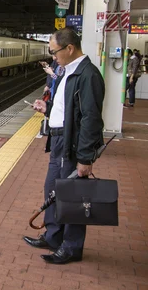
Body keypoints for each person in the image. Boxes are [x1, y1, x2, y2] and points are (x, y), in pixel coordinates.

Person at [23, 27, 105, 264]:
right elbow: (66, 109)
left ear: (69, 48)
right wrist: (46, 109)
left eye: (54, 51)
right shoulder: (68, 72)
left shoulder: (88, 75)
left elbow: (91, 118)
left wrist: (85, 158)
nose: (53, 57)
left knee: (73, 196)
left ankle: (71, 246)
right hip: (58, 139)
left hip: (73, 143)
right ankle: (53, 235)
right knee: (52, 190)